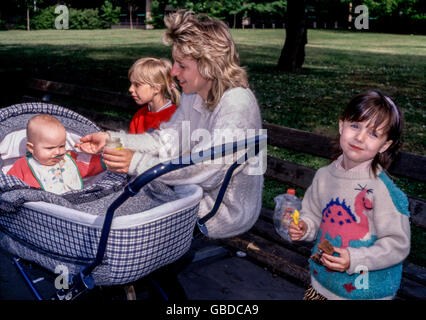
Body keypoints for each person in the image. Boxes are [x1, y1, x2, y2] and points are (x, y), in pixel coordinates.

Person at [76, 10, 264, 239]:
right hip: (191, 193)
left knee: (120, 218)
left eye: (181, 65)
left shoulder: (237, 105)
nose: (173, 72)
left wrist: (136, 162)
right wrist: (111, 139)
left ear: (209, 65)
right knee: (116, 204)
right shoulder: (193, 94)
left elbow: (208, 172)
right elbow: (165, 141)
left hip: (220, 213)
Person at [289, 91, 410, 300]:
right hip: (321, 286)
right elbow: (312, 214)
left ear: (385, 145)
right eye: (355, 125)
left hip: (364, 294)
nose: (360, 137)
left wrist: (355, 258)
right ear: (341, 125)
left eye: (373, 133)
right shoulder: (324, 176)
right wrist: (305, 227)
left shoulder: (381, 191)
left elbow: (397, 243)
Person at [8, 114, 105, 194]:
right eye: (50, 148)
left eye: (62, 146)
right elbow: (8, 184)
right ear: (31, 148)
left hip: (75, 202)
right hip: (42, 210)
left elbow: (90, 165)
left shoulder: (69, 159)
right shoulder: (22, 166)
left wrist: (107, 160)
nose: (58, 152)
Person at [128, 57, 180, 134]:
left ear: (156, 88)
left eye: (137, 85)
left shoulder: (175, 117)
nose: (130, 89)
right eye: (131, 83)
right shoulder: (139, 116)